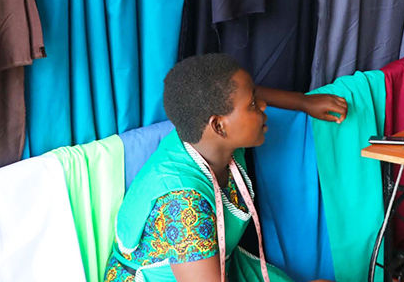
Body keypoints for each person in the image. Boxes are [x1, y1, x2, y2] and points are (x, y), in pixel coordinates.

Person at [103, 53, 345, 282]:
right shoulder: (184, 207)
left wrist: (303, 102)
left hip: (221, 268)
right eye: (252, 104)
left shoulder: (205, 137)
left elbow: (242, 94)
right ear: (219, 126)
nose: (263, 105)